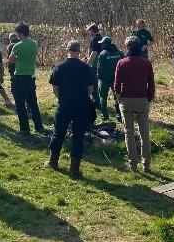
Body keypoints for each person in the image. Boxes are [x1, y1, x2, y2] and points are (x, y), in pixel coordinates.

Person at [45, 40, 95, 178]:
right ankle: (74, 169)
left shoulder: (59, 67)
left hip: (65, 104)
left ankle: (53, 162)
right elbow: (90, 89)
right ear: (79, 51)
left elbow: (55, 89)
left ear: (67, 50)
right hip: (81, 105)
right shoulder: (85, 67)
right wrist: (82, 98)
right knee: (78, 136)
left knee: (58, 133)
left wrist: (62, 99)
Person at [114, 37, 155, 173]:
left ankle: (133, 164)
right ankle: (146, 164)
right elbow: (151, 83)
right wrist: (149, 97)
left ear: (127, 48)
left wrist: (119, 98)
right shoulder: (146, 63)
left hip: (126, 100)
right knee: (144, 133)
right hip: (142, 99)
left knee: (129, 133)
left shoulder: (122, 62)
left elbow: (117, 84)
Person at [8, 23, 45, 135]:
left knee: (20, 104)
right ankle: (39, 126)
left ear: (20, 33)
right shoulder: (34, 44)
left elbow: (10, 60)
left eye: (17, 33)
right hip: (30, 76)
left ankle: (24, 129)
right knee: (32, 103)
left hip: (19, 77)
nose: (17, 36)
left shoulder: (17, 46)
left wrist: (19, 60)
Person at [96, 36, 124, 122]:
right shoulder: (120, 53)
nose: (101, 45)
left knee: (103, 98)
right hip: (117, 79)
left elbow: (99, 69)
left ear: (105, 44)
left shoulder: (103, 54)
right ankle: (119, 115)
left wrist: (99, 78)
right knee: (117, 97)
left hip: (104, 80)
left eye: (102, 44)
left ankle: (105, 117)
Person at [85, 23, 102, 111]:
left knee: (93, 84)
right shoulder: (101, 38)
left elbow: (94, 53)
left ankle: (97, 103)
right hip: (101, 64)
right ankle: (100, 102)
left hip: (94, 64)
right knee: (99, 83)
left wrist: (87, 64)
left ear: (92, 30)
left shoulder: (95, 39)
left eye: (89, 31)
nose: (89, 33)